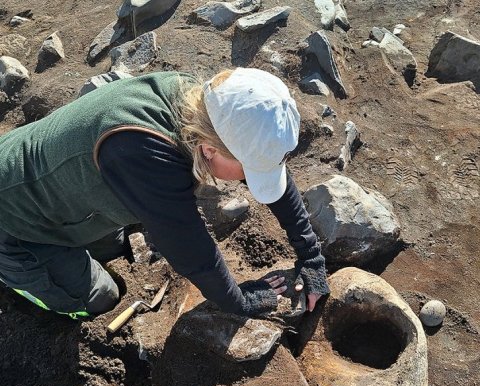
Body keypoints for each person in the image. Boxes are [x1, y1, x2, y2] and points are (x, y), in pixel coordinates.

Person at [0, 67, 329, 320]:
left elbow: (270, 171)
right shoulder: (142, 153)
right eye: (247, 170)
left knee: (115, 247)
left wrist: (311, 257)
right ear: (210, 149)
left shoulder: (209, 105)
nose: (248, 179)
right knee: (101, 300)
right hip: (15, 225)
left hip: (56, 190)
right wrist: (238, 302)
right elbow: (191, 251)